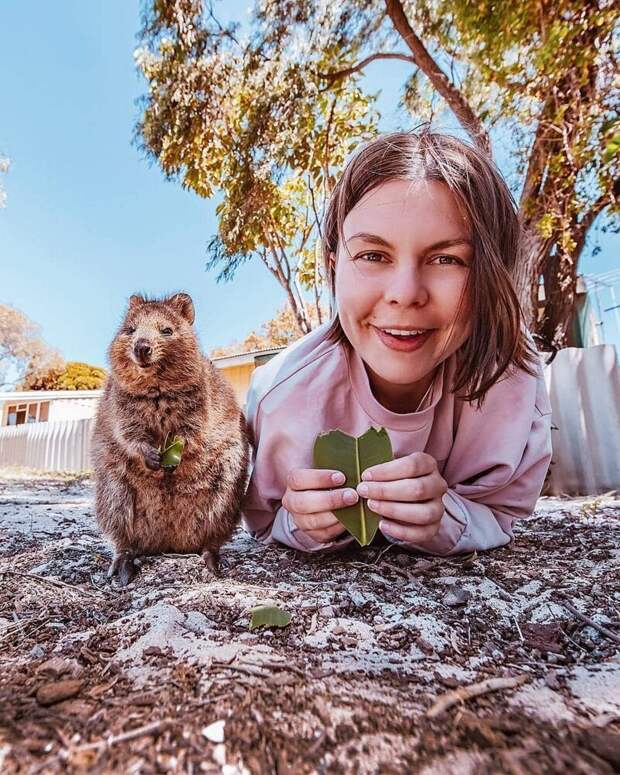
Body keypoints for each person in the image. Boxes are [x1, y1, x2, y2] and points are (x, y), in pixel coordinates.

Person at [241, 130, 552, 556]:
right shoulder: (281, 398)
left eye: (447, 259)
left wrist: (448, 517)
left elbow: (503, 513)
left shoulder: (512, 381)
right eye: (373, 255)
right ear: (334, 269)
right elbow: (263, 521)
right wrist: (300, 522)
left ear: (490, 273)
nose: (405, 293)